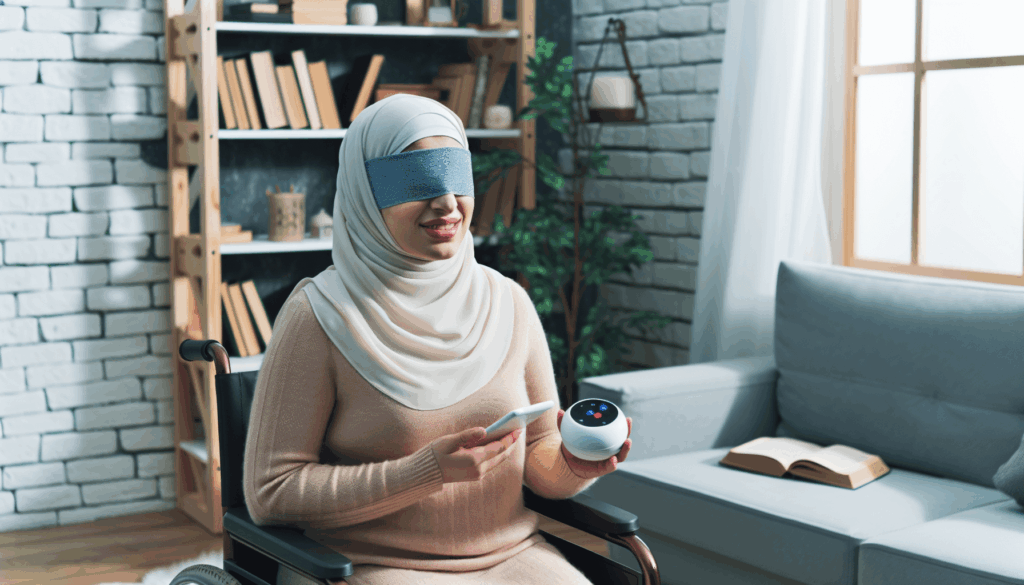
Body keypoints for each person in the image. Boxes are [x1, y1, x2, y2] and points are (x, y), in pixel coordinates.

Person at [242, 94, 633, 585]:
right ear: (366, 191)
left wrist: (575, 464)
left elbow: (540, 452)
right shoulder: (317, 316)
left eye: (456, 177)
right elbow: (271, 493)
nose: (447, 204)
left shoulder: (508, 301)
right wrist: (424, 472)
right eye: (416, 179)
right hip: (368, 563)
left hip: (510, 553)